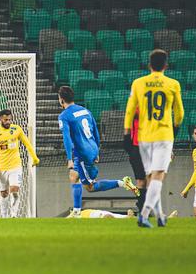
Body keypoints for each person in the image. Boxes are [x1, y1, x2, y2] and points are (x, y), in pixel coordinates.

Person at [123, 49, 184, 228]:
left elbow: (129, 110)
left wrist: (127, 133)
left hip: (143, 136)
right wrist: (175, 128)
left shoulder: (138, 83)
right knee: (158, 176)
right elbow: (179, 113)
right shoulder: (172, 84)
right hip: (163, 134)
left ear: (149, 65)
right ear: (166, 65)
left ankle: (160, 216)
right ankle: (143, 215)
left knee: (151, 178)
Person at [58, 85, 139, 218]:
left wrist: (69, 159)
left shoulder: (64, 116)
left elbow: (66, 138)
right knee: (74, 176)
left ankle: (122, 183)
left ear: (61, 100)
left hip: (82, 153)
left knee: (90, 187)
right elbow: (96, 130)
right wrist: (97, 150)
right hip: (92, 148)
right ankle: (77, 211)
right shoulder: (85, 110)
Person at [0, 109, 39, 218]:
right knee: (4, 194)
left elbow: (27, 144)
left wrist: (34, 157)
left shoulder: (17, 129)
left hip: (16, 166)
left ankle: (13, 215)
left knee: (14, 190)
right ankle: (4, 216)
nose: (8, 122)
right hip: (1, 168)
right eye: (6, 120)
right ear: (0, 119)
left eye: (10, 120)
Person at [123, 106, 147, 212]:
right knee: (141, 181)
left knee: (151, 180)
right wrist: (127, 142)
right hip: (136, 147)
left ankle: (147, 207)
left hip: (152, 146)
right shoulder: (135, 106)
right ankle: (142, 208)